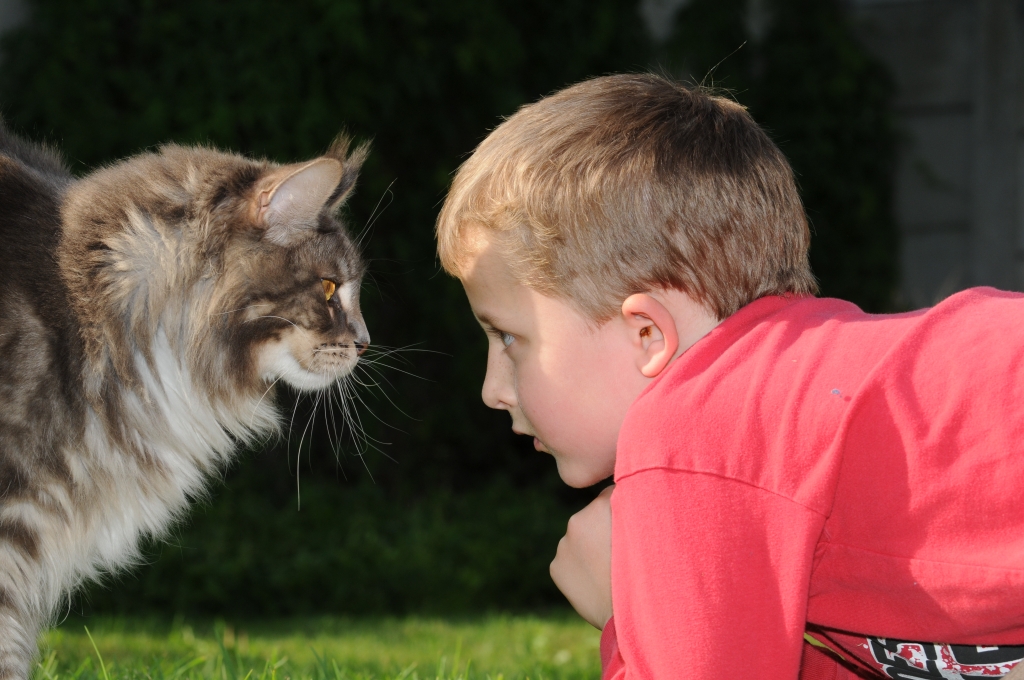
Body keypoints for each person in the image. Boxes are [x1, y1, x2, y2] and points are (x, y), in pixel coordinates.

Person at [434, 72, 1024, 679]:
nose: (492, 390)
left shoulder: (694, 429)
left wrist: (625, 617)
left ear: (647, 336)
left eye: (509, 337)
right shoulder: (802, 423)